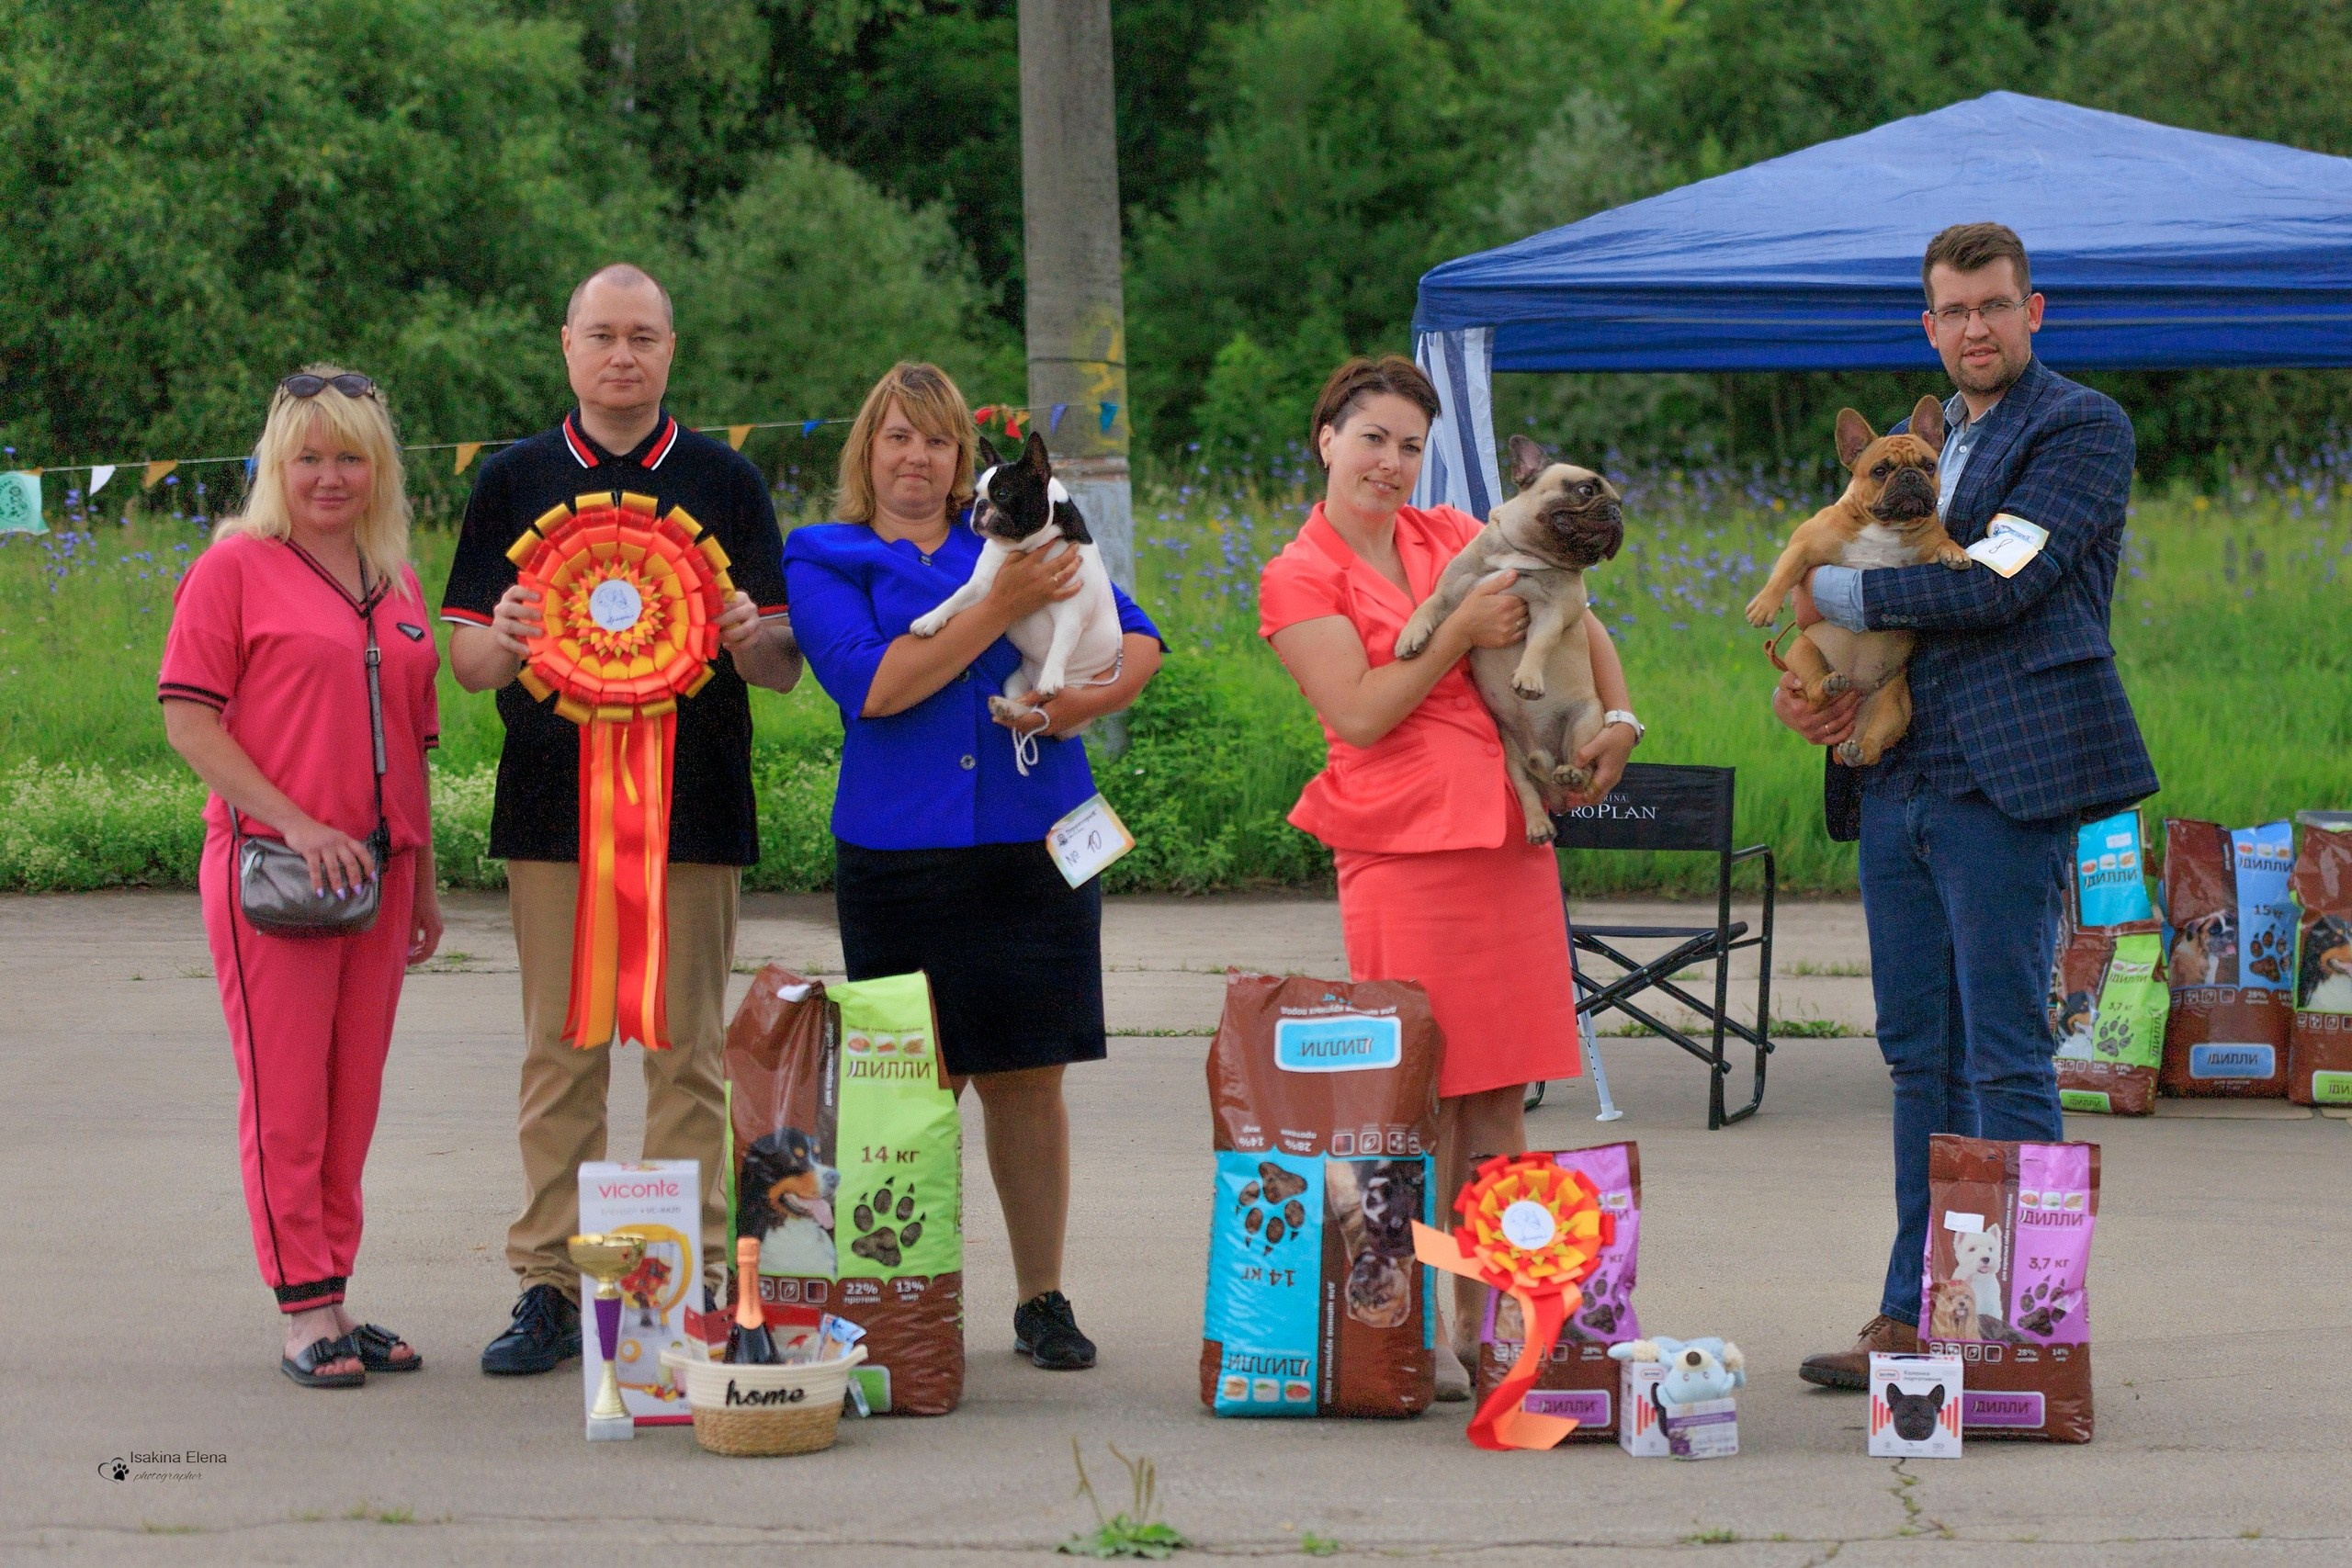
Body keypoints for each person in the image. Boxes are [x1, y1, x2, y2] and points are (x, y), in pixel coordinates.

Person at [1778, 223, 2156, 1388]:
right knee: (1914, 1058)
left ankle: (2018, 1335)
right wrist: (1819, 687)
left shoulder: (2079, 426)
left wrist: (1818, 577)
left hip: (2007, 782)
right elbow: (1871, 620)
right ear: (1928, 326)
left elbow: (2003, 580)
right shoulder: (1916, 437)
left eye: (1995, 306)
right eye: (1954, 311)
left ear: (2031, 312)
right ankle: (1913, 1318)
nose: (1975, 328)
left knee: (2001, 1057)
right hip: (1894, 779)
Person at [442, 264, 803, 1376]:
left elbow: (787, 668)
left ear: (670, 349)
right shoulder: (510, 480)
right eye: (601, 335)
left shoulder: (727, 480)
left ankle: (686, 1287)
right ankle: (551, 1284)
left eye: (642, 336)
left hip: (694, 810)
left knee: (688, 1058)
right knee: (561, 1054)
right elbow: (464, 664)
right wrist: (503, 638)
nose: (622, 355)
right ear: (566, 346)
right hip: (551, 813)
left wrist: (748, 633)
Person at [1257, 355, 1642, 1398]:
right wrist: (1459, 635)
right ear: (1325, 438)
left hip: (1509, 840)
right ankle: (1401, 1324)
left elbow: (1582, 613)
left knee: (1501, 1102)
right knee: (1414, 1105)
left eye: (1410, 445)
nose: (1390, 462)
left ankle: (1497, 1330)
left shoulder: (1446, 535)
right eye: (1371, 437)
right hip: (1400, 851)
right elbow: (1362, 712)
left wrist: (1618, 721)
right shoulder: (1300, 574)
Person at [784, 362, 1163, 1371]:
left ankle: (1041, 1297)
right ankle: (904, 1295)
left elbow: (1137, 636)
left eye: (939, 441)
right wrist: (998, 613)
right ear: (866, 450)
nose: (918, 458)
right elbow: (874, 684)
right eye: (897, 437)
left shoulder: (1012, 528)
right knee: (911, 1087)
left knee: (1030, 1081)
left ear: (965, 459)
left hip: (1036, 836)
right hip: (899, 848)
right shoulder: (824, 554)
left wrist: (1078, 705)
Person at [161, 367, 444, 1388]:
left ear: (380, 467)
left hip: (384, 875)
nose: (331, 476)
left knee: (351, 1098)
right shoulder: (234, 567)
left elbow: (415, 737)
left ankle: (337, 1291)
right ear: (277, 464)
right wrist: (292, 819)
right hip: (276, 873)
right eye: (310, 456)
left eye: (351, 456)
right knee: (287, 1099)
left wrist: (427, 879)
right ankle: (302, 1310)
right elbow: (189, 719)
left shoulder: (397, 578)